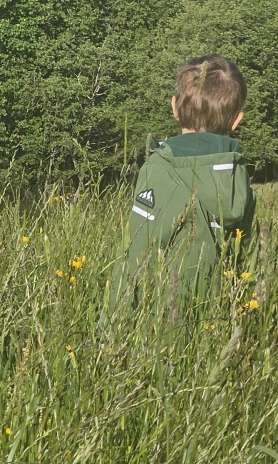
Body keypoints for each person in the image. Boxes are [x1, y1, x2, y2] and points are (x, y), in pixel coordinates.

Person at [109, 55, 256, 315]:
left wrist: (109, 326)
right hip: (217, 318)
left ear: (174, 107)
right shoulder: (237, 175)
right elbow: (244, 254)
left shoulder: (160, 168)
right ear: (237, 120)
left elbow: (136, 254)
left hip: (161, 322)